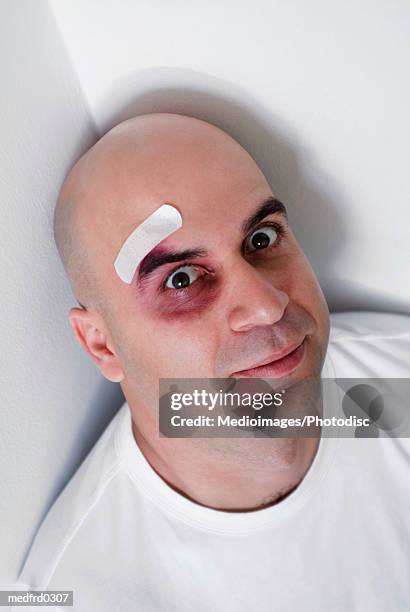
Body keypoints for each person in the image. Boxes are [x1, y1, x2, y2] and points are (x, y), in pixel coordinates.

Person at [14, 114, 410, 611]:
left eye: (262, 239)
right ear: (102, 345)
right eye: (180, 279)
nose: (267, 306)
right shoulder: (71, 592)